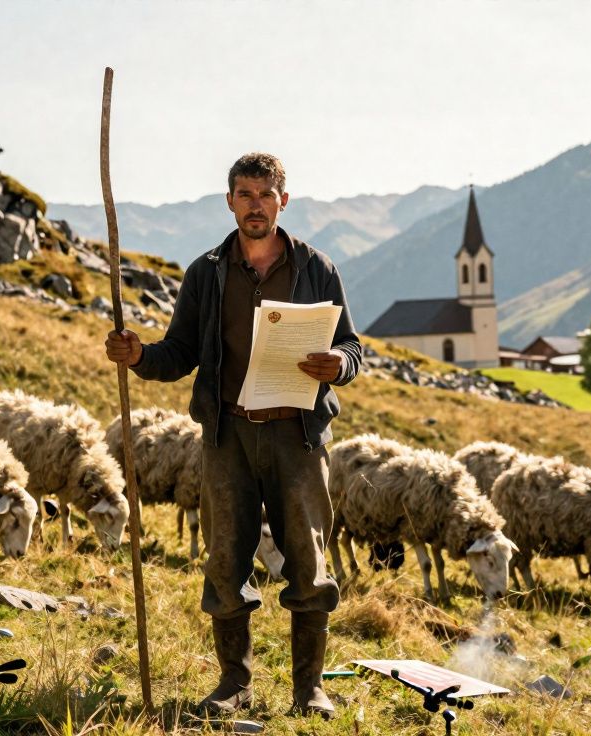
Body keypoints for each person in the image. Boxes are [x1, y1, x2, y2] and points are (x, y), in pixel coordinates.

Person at [105, 152, 361, 718]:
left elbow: (351, 344)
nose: (256, 205)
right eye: (245, 195)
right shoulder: (206, 272)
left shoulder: (316, 268)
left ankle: (309, 690)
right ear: (229, 201)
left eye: (266, 195)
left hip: (298, 435)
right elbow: (180, 352)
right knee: (224, 560)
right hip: (228, 436)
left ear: (283, 201)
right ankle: (233, 685)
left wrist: (338, 364)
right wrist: (139, 355)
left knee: (308, 561)